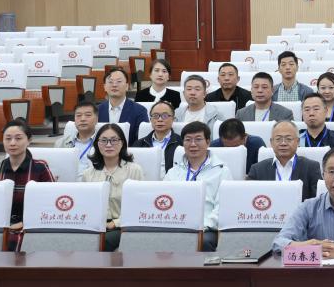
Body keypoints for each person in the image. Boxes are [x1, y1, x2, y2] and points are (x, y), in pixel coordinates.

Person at [0, 119, 56, 249]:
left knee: (15, 242)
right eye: (8, 138)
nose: (12, 143)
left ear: (29, 140)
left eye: (18, 138)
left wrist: (24, 222)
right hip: (0, 225)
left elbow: (50, 202)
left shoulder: (40, 168)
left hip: (31, 225)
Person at [163, 121, 232, 251]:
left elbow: (223, 207)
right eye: (188, 140)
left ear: (208, 142)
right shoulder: (173, 172)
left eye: (198, 139)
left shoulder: (222, 171)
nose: (193, 144)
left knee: (203, 241)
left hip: (207, 228)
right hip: (177, 224)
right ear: (183, 143)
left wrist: (203, 226)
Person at [81, 123, 144, 251]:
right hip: (97, 226)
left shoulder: (134, 170)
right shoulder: (88, 173)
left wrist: (115, 223)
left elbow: (140, 206)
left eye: (114, 140)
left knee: (104, 241)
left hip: (123, 226)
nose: (109, 145)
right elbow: (85, 206)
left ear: (122, 143)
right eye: (104, 140)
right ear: (97, 144)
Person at [247, 120, 322, 201]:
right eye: (278, 139)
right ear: (271, 142)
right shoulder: (257, 169)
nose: (283, 143)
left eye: (288, 139)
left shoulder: (311, 167)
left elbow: (318, 200)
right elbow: (248, 197)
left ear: (298, 142)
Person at [97, 67, 149, 145]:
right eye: (110, 82)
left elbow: (142, 140)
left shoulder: (139, 111)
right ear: (104, 87)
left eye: (119, 81)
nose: (114, 85)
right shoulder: (96, 111)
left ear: (127, 86)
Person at [136, 100, 182, 174]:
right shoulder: (139, 144)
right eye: (155, 116)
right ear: (150, 120)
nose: (160, 119)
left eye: (165, 116)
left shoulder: (181, 143)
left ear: (173, 119)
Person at [54, 100, 98, 171]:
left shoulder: (104, 143)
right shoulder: (60, 144)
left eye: (88, 115)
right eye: (78, 115)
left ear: (96, 119)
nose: (83, 119)